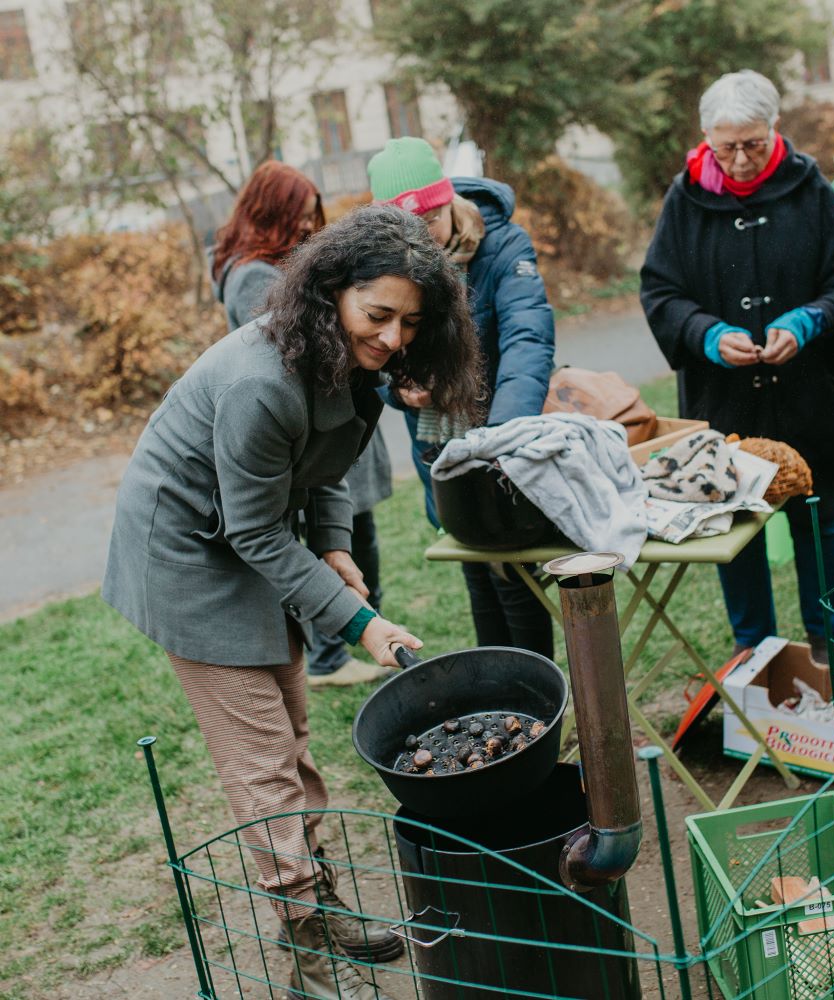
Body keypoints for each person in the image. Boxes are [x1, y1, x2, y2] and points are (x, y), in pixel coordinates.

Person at [103, 205, 483, 1000]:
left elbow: (326, 466)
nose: (393, 338)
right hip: (188, 559)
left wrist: (337, 545)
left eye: (410, 322)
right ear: (331, 294)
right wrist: (361, 623)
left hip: (245, 539)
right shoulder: (259, 383)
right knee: (263, 765)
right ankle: (306, 963)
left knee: (294, 736)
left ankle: (322, 912)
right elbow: (257, 535)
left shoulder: (344, 359)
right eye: (377, 315)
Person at [640, 70, 834, 665]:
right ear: (705, 138)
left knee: (822, 527)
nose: (742, 160)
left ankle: (826, 645)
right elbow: (661, 292)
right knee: (733, 529)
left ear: (775, 131)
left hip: (814, 401)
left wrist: (810, 321)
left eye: (754, 143)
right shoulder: (686, 198)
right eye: (728, 147)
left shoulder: (810, 189)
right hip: (728, 408)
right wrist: (707, 333)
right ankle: (753, 651)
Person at [366, 137, 556, 658]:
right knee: (476, 574)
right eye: (406, 230)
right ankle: (502, 707)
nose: (422, 240)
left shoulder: (503, 247)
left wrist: (501, 436)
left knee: (516, 579)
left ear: (448, 201)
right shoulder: (384, 265)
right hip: (438, 451)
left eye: (430, 221)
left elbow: (527, 338)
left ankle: (539, 704)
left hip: (499, 446)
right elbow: (368, 345)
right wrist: (398, 388)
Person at [210, 159, 394, 687]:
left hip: (326, 428)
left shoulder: (266, 268)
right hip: (305, 431)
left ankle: (357, 633)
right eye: (301, 215)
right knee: (340, 542)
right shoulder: (255, 278)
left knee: (350, 539)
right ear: (272, 213)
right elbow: (283, 359)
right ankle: (335, 651)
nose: (311, 228)